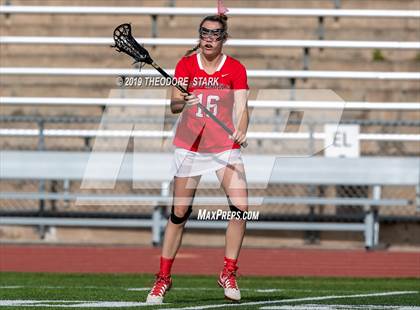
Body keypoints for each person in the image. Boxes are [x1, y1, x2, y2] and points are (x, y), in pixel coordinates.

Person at [146, 10, 249, 304]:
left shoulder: (236, 69)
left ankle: (228, 272)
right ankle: (163, 279)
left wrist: (241, 130)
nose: (209, 38)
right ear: (199, 35)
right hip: (189, 146)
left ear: (223, 38)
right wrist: (184, 100)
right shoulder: (186, 64)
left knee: (241, 208)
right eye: (204, 33)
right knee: (179, 215)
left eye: (215, 34)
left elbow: (242, 107)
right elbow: (174, 106)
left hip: (223, 146)